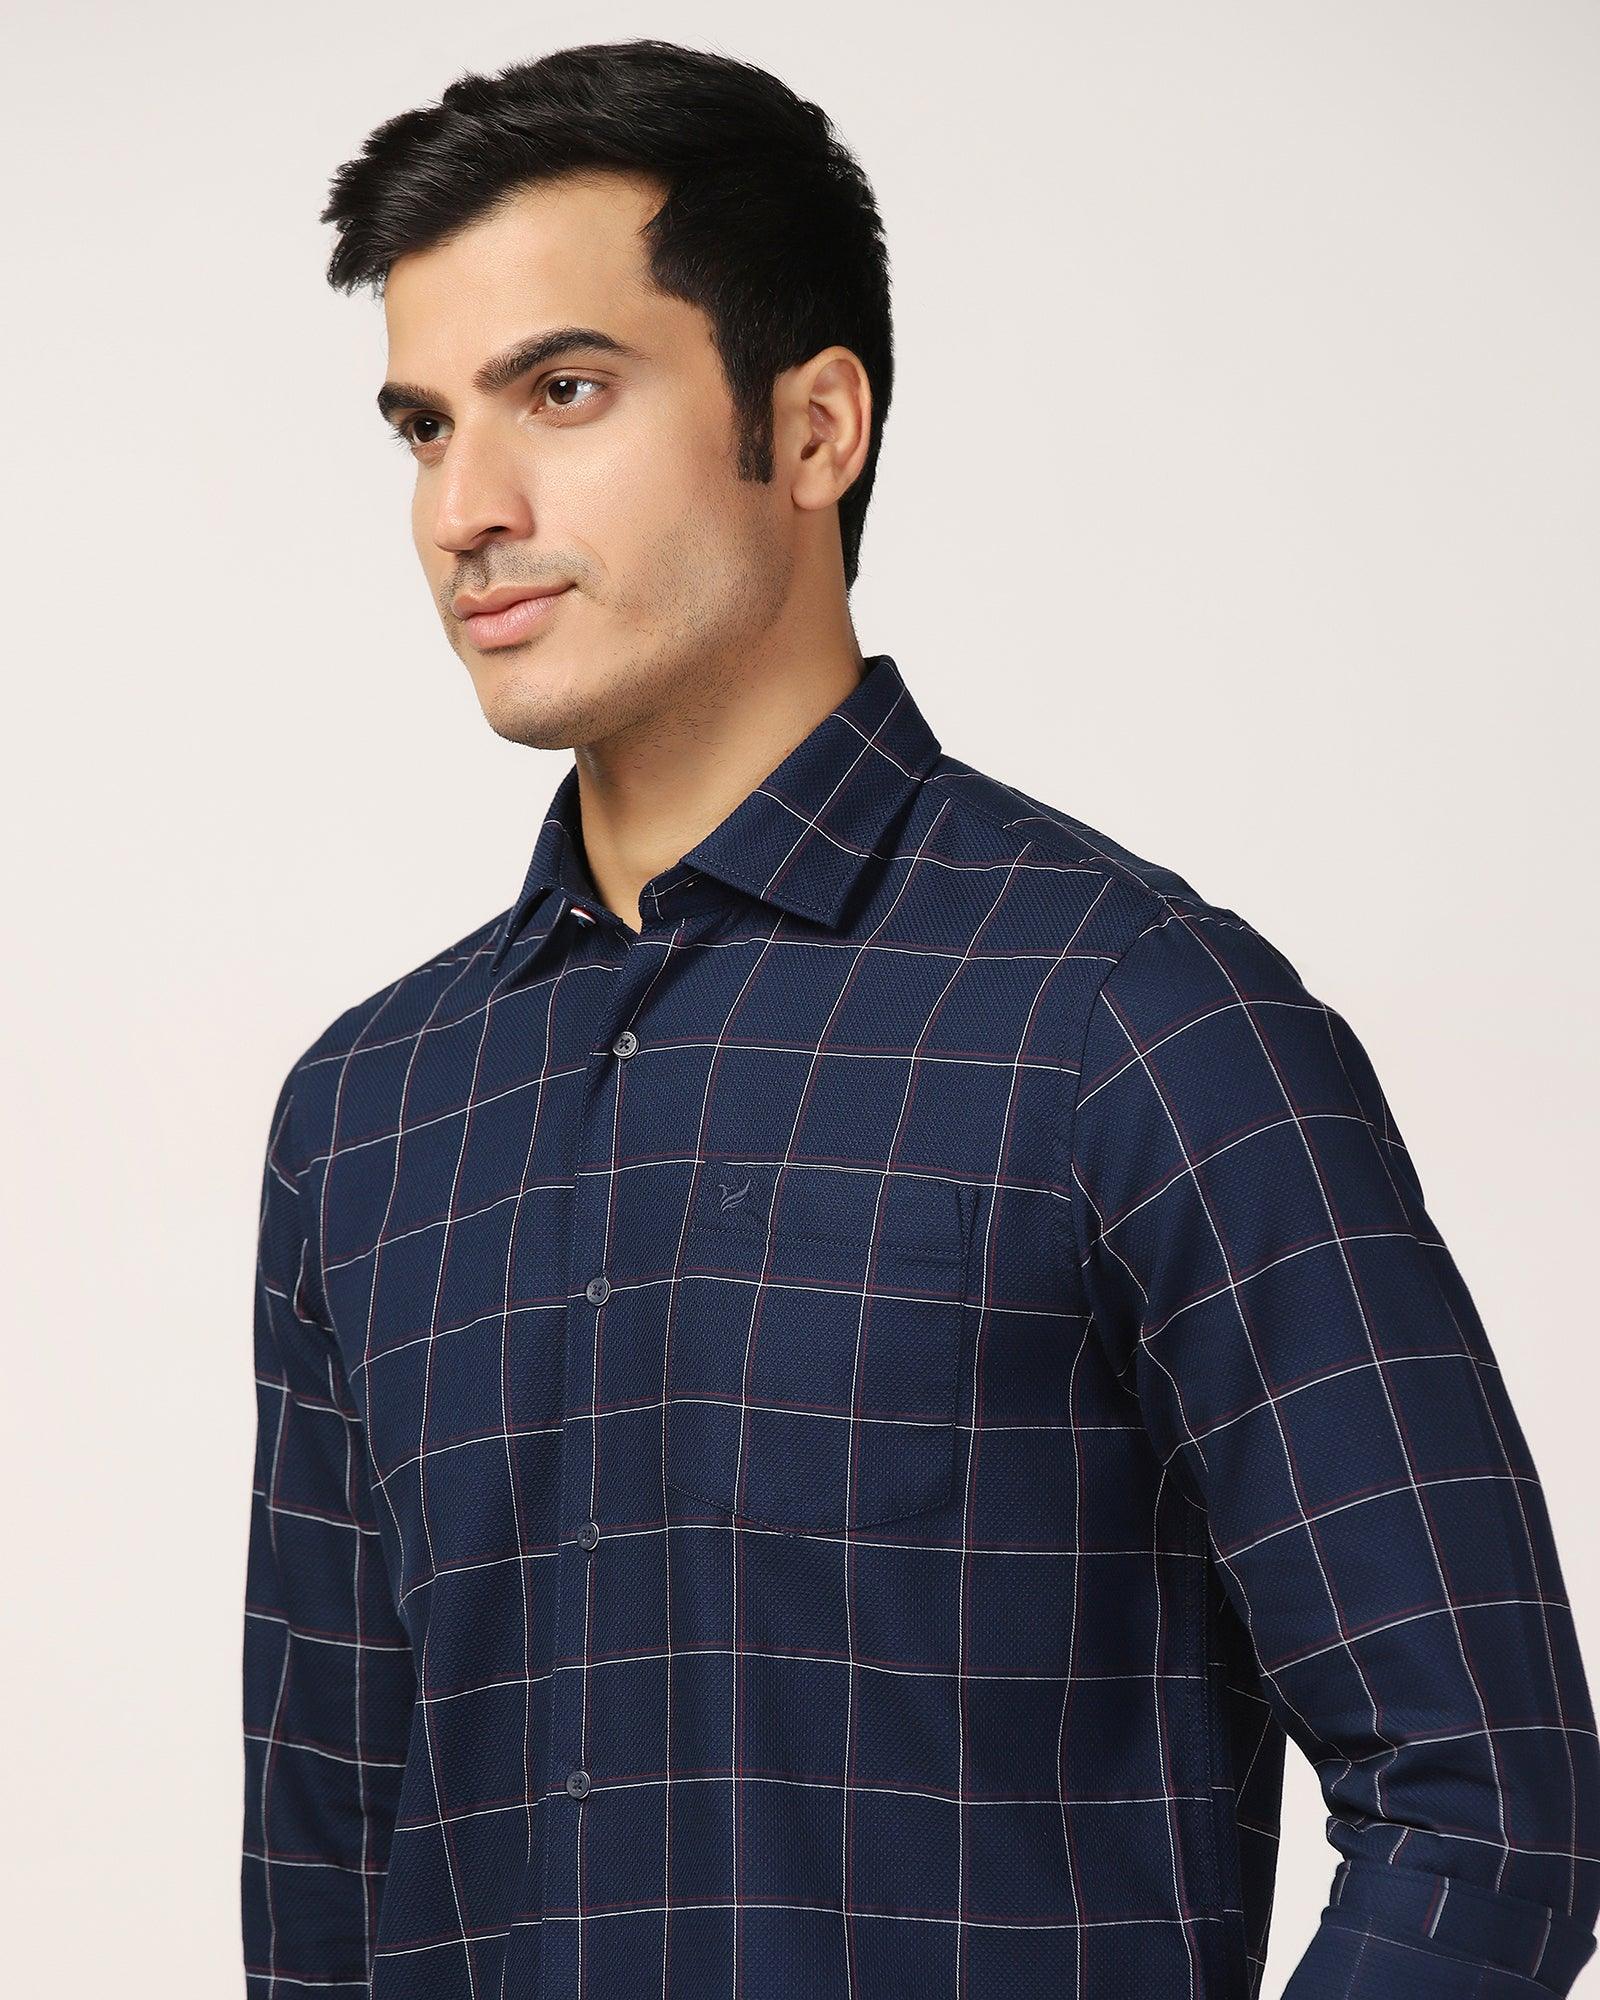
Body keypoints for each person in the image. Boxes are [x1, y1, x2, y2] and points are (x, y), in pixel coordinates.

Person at [241, 38, 1599, 2000]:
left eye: (562, 391)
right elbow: (327, 1876)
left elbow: (1488, 1812)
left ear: (813, 428)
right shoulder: (369, 1114)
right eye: (423, 427)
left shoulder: (1135, 1024)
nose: (466, 506)